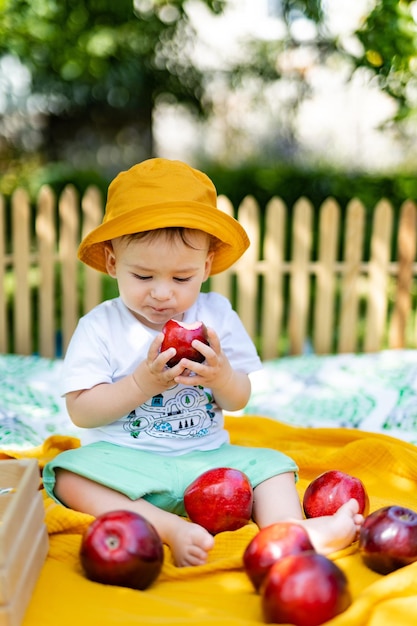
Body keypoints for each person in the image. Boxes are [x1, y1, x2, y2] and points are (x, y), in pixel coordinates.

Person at [43, 158, 363, 567]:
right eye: (143, 277)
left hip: (209, 463)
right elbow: (81, 412)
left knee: (274, 467)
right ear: (112, 263)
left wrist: (222, 376)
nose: (162, 294)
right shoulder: (101, 326)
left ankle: (290, 530)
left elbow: (239, 399)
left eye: (181, 279)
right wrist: (141, 384)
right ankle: (164, 527)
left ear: (206, 267)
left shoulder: (217, 316)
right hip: (125, 464)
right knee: (69, 474)